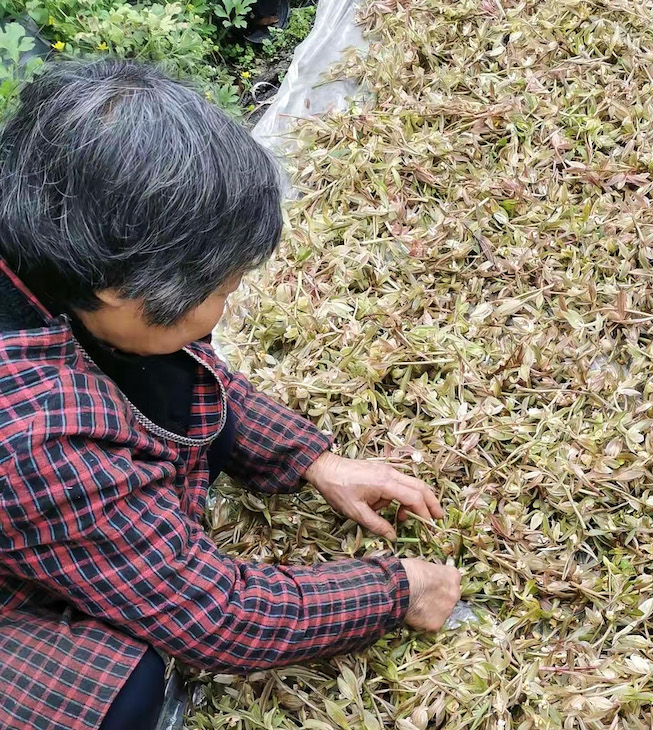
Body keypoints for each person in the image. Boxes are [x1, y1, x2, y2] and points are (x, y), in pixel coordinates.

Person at [0, 60, 462, 730]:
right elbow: (218, 617)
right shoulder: (36, 436)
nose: (224, 307)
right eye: (220, 293)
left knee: (178, 393)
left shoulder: (59, 241)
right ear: (117, 291)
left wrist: (312, 461)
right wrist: (396, 590)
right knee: (121, 686)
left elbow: (182, 366)